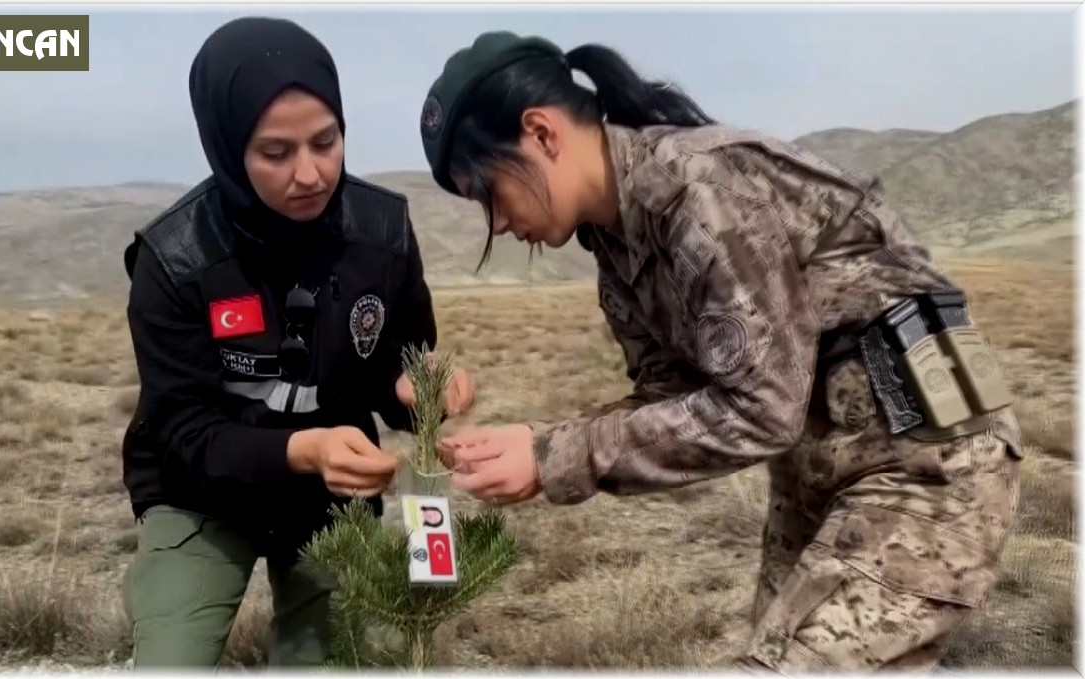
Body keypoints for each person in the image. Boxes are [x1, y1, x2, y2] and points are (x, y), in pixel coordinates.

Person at [418, 31, 1023, 672]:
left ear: (540, 134)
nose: (500, 224)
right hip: (817, 464)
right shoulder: (617, 251)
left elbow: (761, 408)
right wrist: (541, 441)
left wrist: (554, 456)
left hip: (924, 458)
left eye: (489, 193)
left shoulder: (697, 189)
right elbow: (673, 400)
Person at [119, 17, 474, 668]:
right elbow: (187, 433)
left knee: (325, 663)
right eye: (276, 152)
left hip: (328, 500)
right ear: (227, 148)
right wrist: (304, 447)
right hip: (202, 492)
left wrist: (415, 388)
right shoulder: (174, 259)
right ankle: (168, 580)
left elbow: (396, 359)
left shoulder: (382, 232)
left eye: (326, 141)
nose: (310, 173)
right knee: (170, 661)